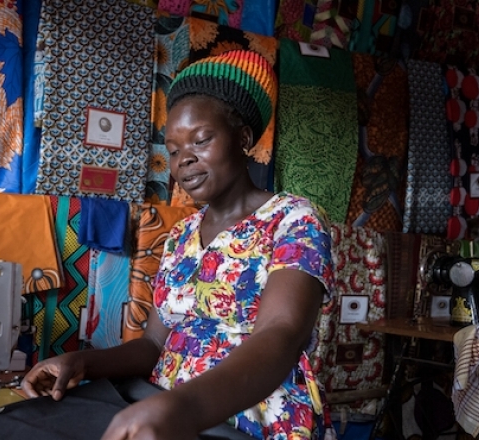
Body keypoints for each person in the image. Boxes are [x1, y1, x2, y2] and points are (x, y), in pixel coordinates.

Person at [21, 50, 335, 440]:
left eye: (201, 140)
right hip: (161, 408)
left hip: (251, 417)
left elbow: (281, 333)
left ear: (243, 138)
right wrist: (82, 361)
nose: (184, 160)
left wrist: (182, 407)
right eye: (172, 151)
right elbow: (154, 342)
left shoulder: (293, 219)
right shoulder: (181, 236)